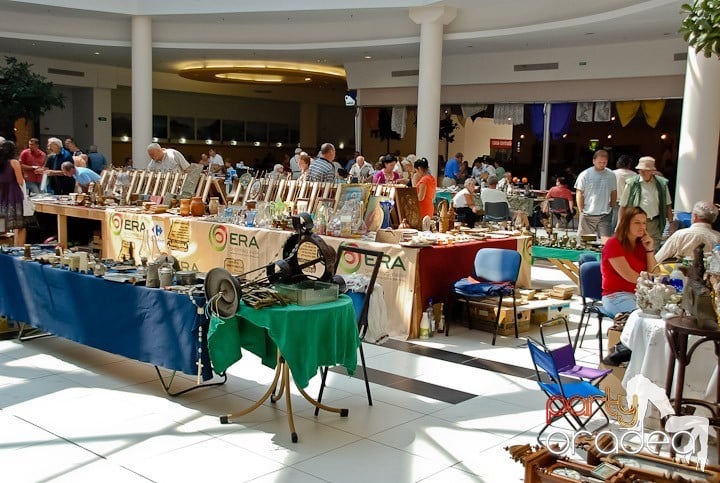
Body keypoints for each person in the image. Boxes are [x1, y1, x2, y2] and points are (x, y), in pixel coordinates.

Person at [601, 206, 656, 317]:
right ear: (626, 224)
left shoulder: (641, 244)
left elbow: (655, 271)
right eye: (637, 223)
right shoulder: (614, 244)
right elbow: (631, 277)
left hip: (640, 294)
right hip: (616, 295)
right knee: (642, 317)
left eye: (644, 223)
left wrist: (649, 250)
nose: (642, 227)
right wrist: (653, 279)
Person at [619, 156, 673, 251]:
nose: (642, 172)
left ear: (652, 171)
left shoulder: (661, 184)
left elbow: (668, 205)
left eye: (646, 170)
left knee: (653, 250)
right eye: (640, 170)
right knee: (636, 248)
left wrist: (671, 222)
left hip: (655, 223)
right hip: (636, 222)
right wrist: (620, 224)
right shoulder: (632, 184)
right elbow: (623, 206)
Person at [655, 201, 720, 263]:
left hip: (680, 273)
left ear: (695, 217)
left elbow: (657, 259)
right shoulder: (718, 238)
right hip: (709, 273)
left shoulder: (680, 235)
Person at [575, 149, 616, 241]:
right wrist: (581, 209)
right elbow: (579, 192)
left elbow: (614, 191)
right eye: (600, 162)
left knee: (606, 241)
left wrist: (612, 206)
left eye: (604, 162)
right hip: (588, 213)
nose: (602, 164)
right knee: (584, 241)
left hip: (605, 213)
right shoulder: (585, 174)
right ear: (594, 161)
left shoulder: (611, 174)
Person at [0, 141, 27, 246]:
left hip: (1, 194)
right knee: (20, 225)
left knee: (1, 225)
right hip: (13, 194)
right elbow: (20, 181)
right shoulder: (14, 162)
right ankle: (19, 248)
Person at [612, 155, 635, 228]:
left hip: (615, 201)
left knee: (614, 224)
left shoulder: (613, 173)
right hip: (629, 203)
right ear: (629, 164)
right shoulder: (634, 175)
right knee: (627, 225)